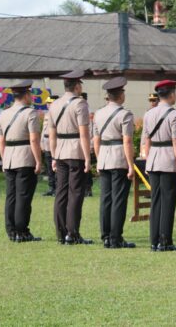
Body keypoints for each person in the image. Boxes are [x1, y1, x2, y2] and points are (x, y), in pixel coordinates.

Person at [47, 70, 93, 245]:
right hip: (75, 151)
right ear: (76, 86)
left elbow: (52, 134)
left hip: (60, 151)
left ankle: (61, 233)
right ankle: (72, 233)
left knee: (61, 192)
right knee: (75, 193)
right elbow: (83, 133)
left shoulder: (55, 104)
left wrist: (53, 156)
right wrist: (87, 156)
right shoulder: (80, 104)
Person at [142, 80, 176, 252]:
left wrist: (147, 161)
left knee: (156, 201)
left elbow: (147, 140)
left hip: (153, 159)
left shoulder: (148, 114)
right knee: (168, 202)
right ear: (172, 94)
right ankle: (165, 241)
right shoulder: (174, 115)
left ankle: (154, 240)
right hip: (168, 159)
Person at [0, 80, 42, 242]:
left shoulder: (3, 114)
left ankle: (11, 230)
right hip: (24, 157)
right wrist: (38, 160)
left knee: (11, 196)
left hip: (9, 157)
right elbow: (34, 140)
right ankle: (22, 231)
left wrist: (4, 159)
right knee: (23, 196)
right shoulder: (30, 113)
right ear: (26, 95)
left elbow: (1, 141)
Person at [93, 77, 136, 249]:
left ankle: (106, 236)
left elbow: (96, 140)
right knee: (119, 199)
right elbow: (127, 141)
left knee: (106, 199)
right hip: (118, 158)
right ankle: (116, 237)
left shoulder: (98, 113)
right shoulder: (125, 114)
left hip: (103, 157)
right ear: (120, 95)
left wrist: (98, 159)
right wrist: (131, 165)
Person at [41, 95, 59, 196]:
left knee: (56, 166)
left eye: (50, 103)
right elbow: (43, 130)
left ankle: (57, 187)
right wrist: (41, 142)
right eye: (47, 103)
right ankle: (51, 187)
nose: (48, 105)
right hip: (47, 142)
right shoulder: (47, 114)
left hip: (55, 141)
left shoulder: (57, 114)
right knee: (49, 167)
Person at [82, 93, 95, 197]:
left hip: (88, 145)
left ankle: (88, 189)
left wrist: (91, 146)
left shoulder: (89, 114)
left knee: (87, 169)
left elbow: (93, 133)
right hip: (79, 146)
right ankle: (83, 188)